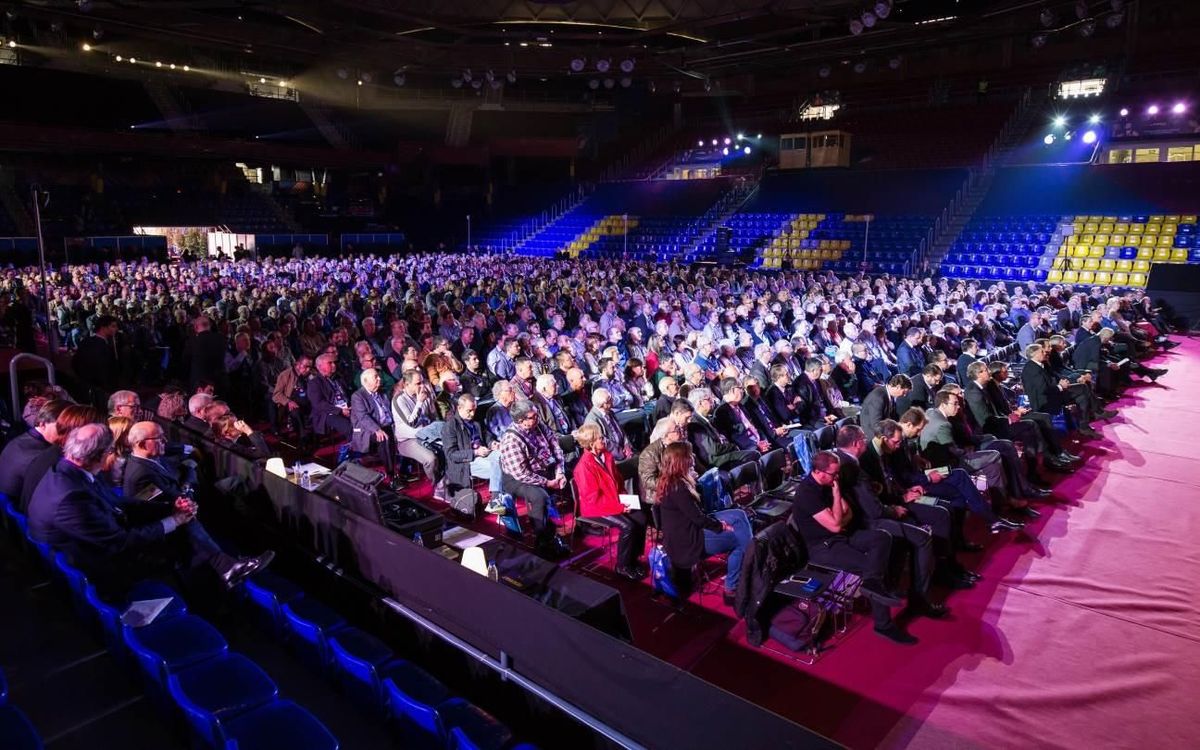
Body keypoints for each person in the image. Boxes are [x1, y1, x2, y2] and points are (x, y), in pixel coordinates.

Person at [30, 423, 272, 596]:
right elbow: (120, 543)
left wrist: (169, 508)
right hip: (101, 568)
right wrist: (173, 521)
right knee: (181, 538)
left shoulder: (69, 471)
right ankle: (212, 593)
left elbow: (118, 503)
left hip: (101, 541)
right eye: (110, 452)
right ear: (98, 455)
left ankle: (224, 569)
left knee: (182, 523)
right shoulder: (72, 496)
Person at [788, 450, 915, 644]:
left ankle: (875, 584)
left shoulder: (828, 482)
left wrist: (838, 514)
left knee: (882, 537)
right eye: (833, 474)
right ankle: (884, 625)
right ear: (818, 472)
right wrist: (836, 495)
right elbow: (836, 525)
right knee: (869, 564)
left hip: (840, 536)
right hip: (823, 547)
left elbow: (847, 513)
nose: (837, 478)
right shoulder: (807, 493)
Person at [834, 425, 948, 618]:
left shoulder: (840, 460)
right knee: (922, 538)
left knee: (909, 532)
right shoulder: (853, 467)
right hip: (865, 523)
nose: (866, 441)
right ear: (856, 444)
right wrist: (893, 509)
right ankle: (919, 599)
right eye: (863, 439)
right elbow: (874, 511)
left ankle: (894, 586)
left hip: (861, 518)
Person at [656, 442, 752, 606]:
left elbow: (697, 512)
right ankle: (733, 585)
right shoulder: (678, 487)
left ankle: (750, 555)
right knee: (739, 540)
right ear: (681, 461)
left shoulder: (675, 480)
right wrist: (721, 526)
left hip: (690, 527)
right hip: (688, 539)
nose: (693, 457)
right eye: (689, 455)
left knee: (739, 515)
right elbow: (698, 518)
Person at [571, 423, 649, 581]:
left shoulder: (606, 455)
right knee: (628, 526)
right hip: (595, 507)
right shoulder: (583, 467)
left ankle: (633, 558)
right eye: (600, 438)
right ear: (591, 443)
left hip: (613, 500)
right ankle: (622, 566)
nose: (604, 440)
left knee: (641, 517)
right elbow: (593, 499)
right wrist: (620, 507)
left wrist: (625, 498)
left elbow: (618, 481)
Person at [498, 400, 570, 559]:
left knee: (573, 476)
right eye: (532, 417)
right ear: (520, 420)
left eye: (536, 415)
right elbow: (521, 473)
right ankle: (542, 540)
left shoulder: (538, 424)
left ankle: (581, 524)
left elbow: (555, 447)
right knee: (539, 496)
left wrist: (560, 472)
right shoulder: (511, 440)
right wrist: (547, 482)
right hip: (517, 479)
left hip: (543, 468)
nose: (537, 419)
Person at [441, 392, 506, 514]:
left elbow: (487, 436)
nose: (472, 414)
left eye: (474, 410)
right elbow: (452, 455)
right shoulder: (450, 427)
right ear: (459, 408)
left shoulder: (476, 420)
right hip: (466, 462)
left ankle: (498, 500)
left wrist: (492, 443)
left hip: (483, 454)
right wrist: (475, 452)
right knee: (500, 467)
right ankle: (495, 500)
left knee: (504, 457)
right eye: (469, 411)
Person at [0, 399, 67, 502]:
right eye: (62, 428)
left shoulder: (21, 440)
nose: (69, 434)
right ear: (42, 424)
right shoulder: (39, 456)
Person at [392, 370, 444, 497]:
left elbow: (434, 416)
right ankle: (438, 485)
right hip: (408, 440)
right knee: (430, 459)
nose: (422, 386)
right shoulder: (399, 400)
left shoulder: (424, 395)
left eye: (422, 382)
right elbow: (411, 423)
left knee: (448, 448)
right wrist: (419, 403)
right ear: (407, 384)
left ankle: (450, 480)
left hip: (427, 435)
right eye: (417, 383)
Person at [350, 368, 396, 478]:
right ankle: (392, 475)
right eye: (376, 377)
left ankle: (404, 468)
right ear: (366, 381)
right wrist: (377, 429)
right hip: (366, 429)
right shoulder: (358, 396)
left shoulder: (382, 392)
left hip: (387, 425)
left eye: (378, 376)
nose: (379, 378)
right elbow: (363, 417)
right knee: (384, 438)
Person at [583, 387, 637, 479]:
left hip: (624, 450)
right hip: (612, 457)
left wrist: (627, 445)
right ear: (603, 405)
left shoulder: (609, 412)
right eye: (609, 400)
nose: (612, 401)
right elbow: (604, 443)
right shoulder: (592, 421)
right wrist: (622, 454)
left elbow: (620, 430)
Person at [308, 352, 352, 439]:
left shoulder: (338, 378)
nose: (334, 365)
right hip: (328, 413)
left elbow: (348, 393)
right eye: (330, 363)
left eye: (334, 362)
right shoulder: (314, 383)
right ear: (320, 366)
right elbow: (319, 404)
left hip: (346, 408)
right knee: (349, 427)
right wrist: (340, 411)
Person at [859, 374, 911, 439]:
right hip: (873, 435)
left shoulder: (890, 395)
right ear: (898, 387)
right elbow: (876, 424)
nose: (904, 395)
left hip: (884, 430)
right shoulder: (878, 397)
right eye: (904, 392)